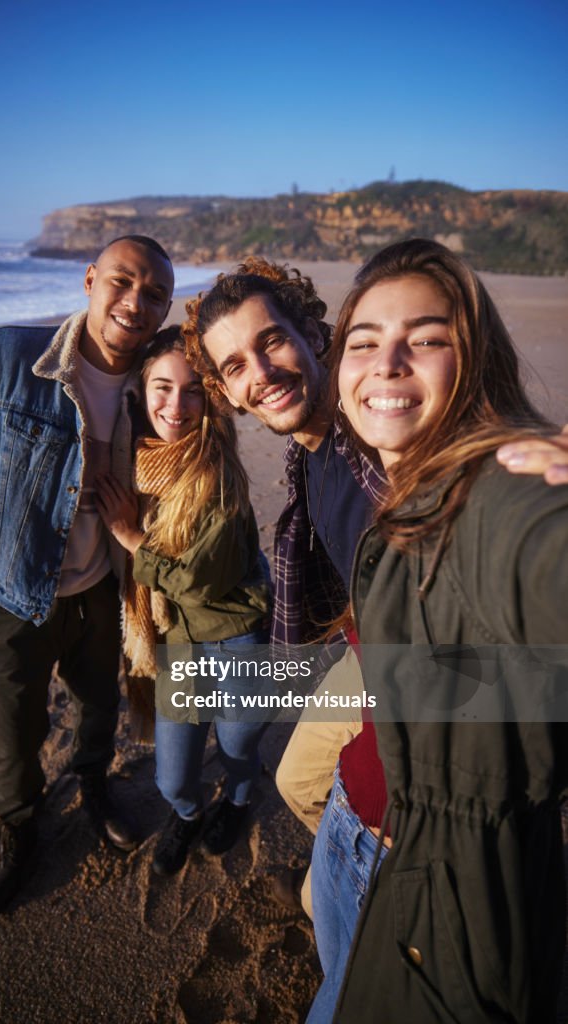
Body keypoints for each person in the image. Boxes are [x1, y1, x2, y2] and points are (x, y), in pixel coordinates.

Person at [182, 256, 568, 919]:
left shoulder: (380, 443)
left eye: (270, 340)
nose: (261, 372)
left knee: (343, 859)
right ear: (227, 391)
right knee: (296, 780)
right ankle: (345, 878)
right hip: (369, 650)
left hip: (434, 687)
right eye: (235, 366)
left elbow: (501, 545)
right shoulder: (306, 448)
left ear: (311, 333)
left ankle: (367, 891)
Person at [313, 238, 568, 1023]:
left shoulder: (501, 498)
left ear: (476, 361)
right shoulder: (405, 494)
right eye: (363, 344)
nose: (387, 362)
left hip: (453, 923)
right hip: (384, 835)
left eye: (425, 339)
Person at [0, 235, 174, 914]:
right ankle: (19, 827)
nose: (136, 302)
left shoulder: (155, 388)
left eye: (155, 292)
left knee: (99, 705)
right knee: (11, 731)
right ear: (88, 280)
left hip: (105, 588)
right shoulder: (8, 355)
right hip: (10, 592)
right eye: (122, 281)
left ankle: (93, 784)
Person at [95, 327, 271, 876]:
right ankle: (189, 813)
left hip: (235, 632)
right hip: (176, 640)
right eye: (162, 387)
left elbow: (198, 583)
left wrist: (131, 539)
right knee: (172, 776)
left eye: (192, 389)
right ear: (141, 391)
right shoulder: (130, 461)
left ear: (210, 397)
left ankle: (238, 801)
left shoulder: (217, 470)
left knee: (240, 746)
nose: (176, 405)